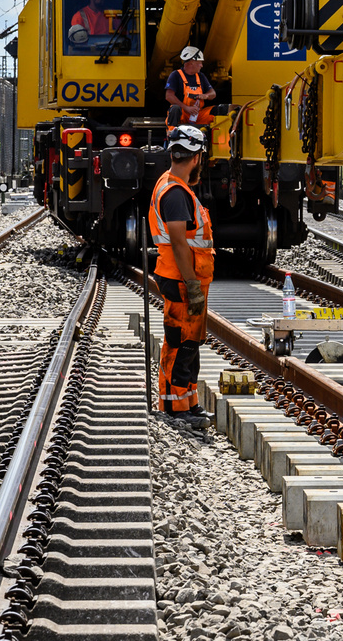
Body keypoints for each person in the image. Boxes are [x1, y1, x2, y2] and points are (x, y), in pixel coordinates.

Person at [149, 125, 215, 429]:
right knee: (179, 342)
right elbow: (178, 242)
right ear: (197, 157)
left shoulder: (172, 184)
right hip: (181, 279)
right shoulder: (175, 192)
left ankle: (189, 402)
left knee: (191, 342)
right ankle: (174, 408)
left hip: (186, 277)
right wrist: (191, 283)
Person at [165, 46, 219, 127]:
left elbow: (213, 93)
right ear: (191, 63)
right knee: (175, 109)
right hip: (182, 114)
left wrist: (206, 95)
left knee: (219, 110)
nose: (201, 66)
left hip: (197, 115)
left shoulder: (201, 76)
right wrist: (186, 108)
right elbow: (169, 96)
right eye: (200, 63)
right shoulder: (176, 75)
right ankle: (172, 134)